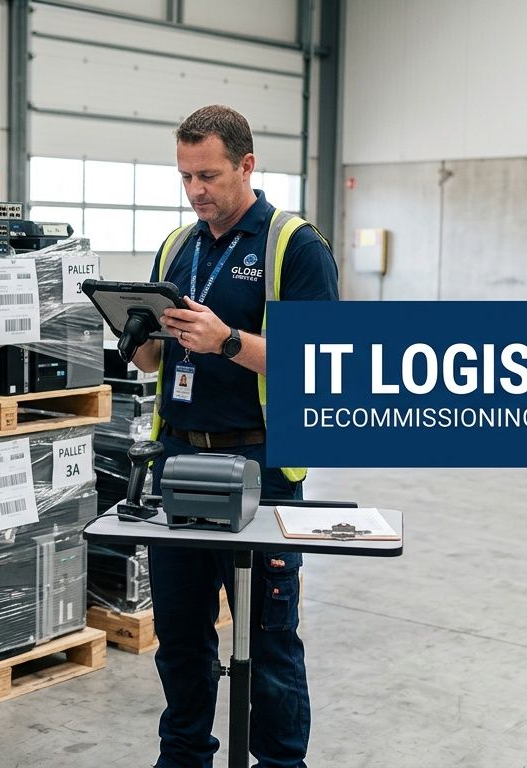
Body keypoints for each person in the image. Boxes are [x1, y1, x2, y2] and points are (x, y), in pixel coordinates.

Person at [130, 104, 339, 768]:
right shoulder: (177, 247)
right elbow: (156, 362)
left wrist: (226, 342)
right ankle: (183, 758)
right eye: (186, 177)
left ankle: (280, 764)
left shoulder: (293, 246)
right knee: (180, 638)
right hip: (180, 461)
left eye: (209, 176)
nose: (196, 191)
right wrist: (135, 335)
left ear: (246, 165)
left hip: (261, 466)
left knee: (269, 640)